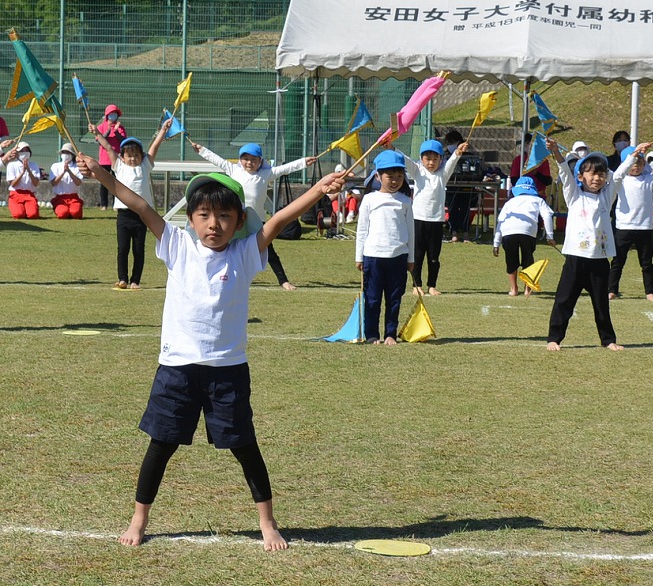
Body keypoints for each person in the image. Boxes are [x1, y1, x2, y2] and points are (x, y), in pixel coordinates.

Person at [77, 151, 346, 551]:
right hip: (177, 369)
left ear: (238, 221)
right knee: (160, 447)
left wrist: (320, 189)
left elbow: (281, 218)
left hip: (227, 370)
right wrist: (100, 173)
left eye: (223, 216)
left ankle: (268, 523)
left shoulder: (245, 253)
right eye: (203, 215)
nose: (213, 224)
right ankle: (138, 518)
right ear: (190, 219)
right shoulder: (176, 245)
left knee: (244, 447)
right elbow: (136, 202)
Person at [190, 141, 315, 291]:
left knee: (269, 252)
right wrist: (201, 149)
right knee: (226, 249)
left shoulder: (265, 174)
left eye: (254, 159)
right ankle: (222, 276)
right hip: (235, 222)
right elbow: (217, 159)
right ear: (240, 159)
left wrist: (304, 162)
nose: (249, 162)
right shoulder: (233, 170)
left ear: (260, 161)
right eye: (246, 159)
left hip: (257, 222)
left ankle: (283, 281)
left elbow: (285, 169)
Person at [546, 142, 623, 351]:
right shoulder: (574, 196)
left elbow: (618, 177)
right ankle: (554, 338)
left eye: (601, 174)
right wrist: (556, 153)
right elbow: (564, 174)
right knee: (564, 301)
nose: (597, 179)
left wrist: (634, 155)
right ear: (580, 176)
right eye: (592, 174)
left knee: (601, 305)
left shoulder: (606, 199)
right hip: (575, 258)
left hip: (599, 261)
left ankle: (608, 340)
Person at [95, 121, 169, 289]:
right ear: (122, 157)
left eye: (136, 155)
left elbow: (155, 146)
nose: (133, 158)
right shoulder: (119, 166)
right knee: (122, 248)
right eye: (129, 155)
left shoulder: (145, 165)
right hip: (123, 215)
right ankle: (122, 279)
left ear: (141, 156)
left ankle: (135, 280)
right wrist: (97, 134)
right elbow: (107, 147)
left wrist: (163, 130)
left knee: (138, 249)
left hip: (141, 215)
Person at [356, 151, 415, 344]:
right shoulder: (369, 200)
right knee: (372, 299)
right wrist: (359, 256)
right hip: (372, 257)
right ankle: (372, 335)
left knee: (394, 299)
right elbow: (362, 229)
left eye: (399, 176)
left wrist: (411, 258)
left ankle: (390, 334)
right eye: (390, 176)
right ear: (378, 176)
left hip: (398, 257)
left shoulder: (405, 201)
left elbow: (411, 232)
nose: (395, 180)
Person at [609, 142, 653, 301]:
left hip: (644, 228)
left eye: (639, 162)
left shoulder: (649, 179)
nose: (636, 166)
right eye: (632, 163)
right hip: (623, 228)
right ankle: (611, 290)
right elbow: (619, 173)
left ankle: (650, 292)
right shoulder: (619, 180)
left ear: (644, 163)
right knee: (618, 261)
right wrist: (633, 155)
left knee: (646, 263)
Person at [407, 138, 466, 296]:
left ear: (441, 159)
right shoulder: (418, 171)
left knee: (434, 257)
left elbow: (452, 163)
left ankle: (431, 285)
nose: (431, 163)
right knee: (417, 255)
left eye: (435, 159)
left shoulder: (443, 175)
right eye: (428, 159)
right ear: (421, 159)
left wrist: (458, 152)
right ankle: (416, 285)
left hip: (436, 221)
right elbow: (406, 162)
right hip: (418, 219)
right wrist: (392, 148)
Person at [493, 175, 555, 295]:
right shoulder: (538, 200)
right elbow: (547, 216)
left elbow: (500, 222)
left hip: (508, 231)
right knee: (528, 258)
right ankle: (528, 289)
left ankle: (514, 289)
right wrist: (550, 236)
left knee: (511, 259)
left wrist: (496, 243)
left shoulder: (510, 202)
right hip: (528, 231)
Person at [96, 104, 127, 208]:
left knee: (116, 183)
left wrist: (117, 131)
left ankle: (116, 204)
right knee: (104, 182)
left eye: (115, 114)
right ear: (107, 115)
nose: (113, 116)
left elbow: (123, 141)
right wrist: (108, 131)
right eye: (111, 114)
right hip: (104, 160)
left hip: (117, 159)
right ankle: (104, 204)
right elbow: (100, 140)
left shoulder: (121, 128)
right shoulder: (101, 127)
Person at [6, 140, 43, 219]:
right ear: (17, 153)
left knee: (33, 215)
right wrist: (22, 173)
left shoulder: (34, 165)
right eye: (22, 151)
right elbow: (13, 184)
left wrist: (29, 170)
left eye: (27, 150)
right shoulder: (12, 165)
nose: (25, 152)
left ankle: (28, 208)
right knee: (18, 214)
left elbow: (35, 183)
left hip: (29, 193)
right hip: (16, 193)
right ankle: (19, 208)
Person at [510, 132, 553, 198]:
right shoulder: (518, 160)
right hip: (520, 194)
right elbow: (513, 180)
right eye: (528, 143)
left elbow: (547, 181)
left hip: (538, 195)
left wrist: (536, 173)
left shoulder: (542, 161)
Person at [48, 142, 84, 220]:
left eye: (67, 152)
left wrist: (69, 172)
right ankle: (61, 209)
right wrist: (63, 172)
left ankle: (72, 210)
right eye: (63, 152)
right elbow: (53, 183)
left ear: (72, 155)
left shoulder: (76, 167)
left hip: (73, 197)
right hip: (60, 197)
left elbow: (78, 183)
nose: (65, 154)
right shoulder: (55, 166)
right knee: (62, 214)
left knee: (76, 213)